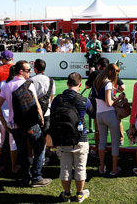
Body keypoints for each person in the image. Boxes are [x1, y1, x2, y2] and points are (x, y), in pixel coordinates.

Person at [0, 60, 51, 187]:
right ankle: (36, 177)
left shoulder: (6, 86)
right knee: (39, 148)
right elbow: (36, 104)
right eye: (28, 70)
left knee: (22, 151)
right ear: (21, 71)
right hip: (29, 124)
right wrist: (41, 118)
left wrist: (4, 123)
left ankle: (25, 177)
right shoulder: (28, 84)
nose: (30, 72)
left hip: (14, 125)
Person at [51, 72, 93, 203]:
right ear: (80, 85)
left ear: (67, 83)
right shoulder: (83, 100)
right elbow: (93, 113)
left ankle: (67, 194)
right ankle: (80, 194)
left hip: (63, 137)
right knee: (80, 167)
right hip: (81, 138)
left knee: (65, 168)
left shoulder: (58, 99)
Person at [85, 58, 126, 158]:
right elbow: (122, 87)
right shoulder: (110, 77)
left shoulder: (96, 75)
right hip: (110, 104)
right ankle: (121, 139)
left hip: (99, 106)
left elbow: (87, 86)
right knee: (117, 121)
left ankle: (98, 151)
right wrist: (116, 94)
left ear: (99, 65)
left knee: (99, 130)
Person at [92, 64, 122, 176]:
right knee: (115, 142)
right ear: (111, 73)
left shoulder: (97, 80)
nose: (117, 76)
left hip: (99, 114)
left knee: (102, 141)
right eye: (116, 74)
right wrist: (118, 98)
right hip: (110, 115)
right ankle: (114, 169)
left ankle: (101, 167)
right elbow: (109, 103)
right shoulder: (108, 83)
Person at [28, 59, 55, 162]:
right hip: (46, 111)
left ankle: (31, 156)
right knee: (44, 135)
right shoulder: (50, 80)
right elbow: (51, 98)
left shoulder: (30, 80)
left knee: (30, 134)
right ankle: (41, 157)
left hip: (32, 111)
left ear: (35, 68)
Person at [0, 66, 19, 174]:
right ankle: (13, 167)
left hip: (1, 115)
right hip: (12, 117)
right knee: (12, 143)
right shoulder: (18, 84)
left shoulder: (3, 83)